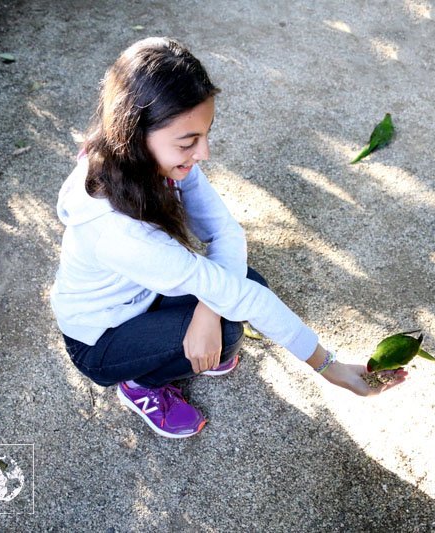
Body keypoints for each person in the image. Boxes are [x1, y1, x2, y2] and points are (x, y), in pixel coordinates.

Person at [50, 37, 406, 439]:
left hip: (143, 296)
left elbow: (225, 232)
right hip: (101, 340)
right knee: (231, 326)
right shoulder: (119, 232)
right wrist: (333, 369)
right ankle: (140, 384)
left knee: (242, 291)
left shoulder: (154, 162)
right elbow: (241, 296)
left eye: (204, 135)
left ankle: (187, 340)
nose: (203, 153)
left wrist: (207, 311)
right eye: (188, 142)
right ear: (135, 134)